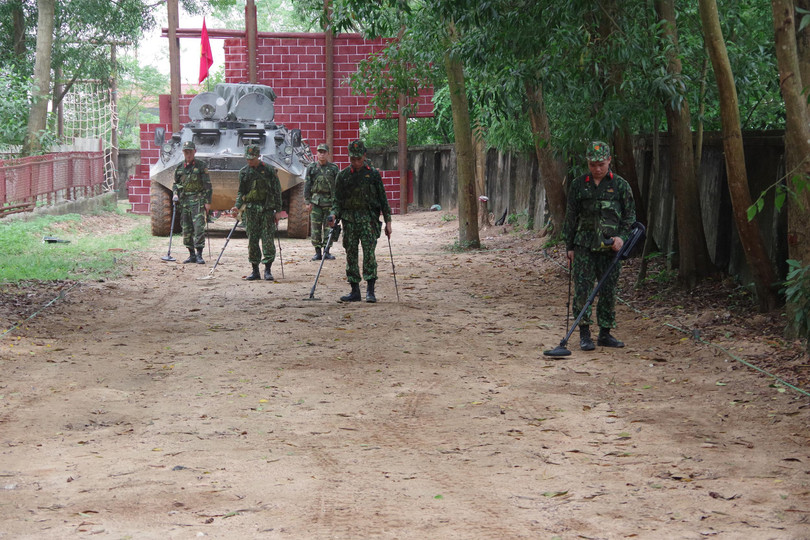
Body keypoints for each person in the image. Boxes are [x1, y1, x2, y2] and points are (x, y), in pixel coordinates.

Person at [563, 140, 636, 350]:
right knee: (582, 291)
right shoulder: (578, 184)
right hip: (583, 247)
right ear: (587, 162)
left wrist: (622, 237)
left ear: (609, 160)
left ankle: (605, 333)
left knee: (608, 290)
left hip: (610, 248)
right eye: (593, 165)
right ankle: (585, 334)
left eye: (601, 164)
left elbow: (630, 216)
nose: (597, 169)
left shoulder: (621, 186)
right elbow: (570, 217)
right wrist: (569, 246)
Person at [327, 139, 392, 303]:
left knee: (369, 254)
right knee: (351, 254)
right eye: (352, 159)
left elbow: (383, 199)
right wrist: (333, 215)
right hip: (349, 220)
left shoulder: (373, 174)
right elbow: (337, 200)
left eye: (358, 159)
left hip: (368, 220)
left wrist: (388, 222)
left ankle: (370, 291)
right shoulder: (343, 176)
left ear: (364, 155)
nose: (355, 162)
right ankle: (355, 290)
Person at [230, 144, 282, 281]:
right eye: (247, 158)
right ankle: (255, 270)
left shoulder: (270, 171)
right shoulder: (244, 172)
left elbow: (277, 191)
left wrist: (278, 211)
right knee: (252, 240)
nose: (249, 161)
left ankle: (268, 270)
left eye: (252, 158)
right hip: (251, 210)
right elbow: (241, 191)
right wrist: (237, 206)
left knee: (267, 240)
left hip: (267, 209)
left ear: (258, 156)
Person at [172, 141, 212, 264]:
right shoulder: (179, 167)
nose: (188, 154)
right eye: (186, 152)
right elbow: (176, 184)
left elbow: (207, 185)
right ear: (183, 152)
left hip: (198, 200)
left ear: (194, 151)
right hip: (184, 201)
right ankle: (191, 254)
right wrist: (175, 193)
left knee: (199, 227)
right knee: (186, 228)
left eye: (190, 151)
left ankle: (199, 254)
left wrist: (207, 202)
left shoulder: (201, 166)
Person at [304, 143, 340, 261]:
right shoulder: (312, 168)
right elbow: (307, 185)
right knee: (315, 228)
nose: (322, 154)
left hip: (329, 202)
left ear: (328, 154)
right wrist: (307, 201)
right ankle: (317, 252)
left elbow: (337, 187)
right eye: (320, 152)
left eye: (324, 152)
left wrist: (336, 205)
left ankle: (327, 251)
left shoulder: (334, 168)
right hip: (316, 202)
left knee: (328, 228)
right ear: (316, 154)